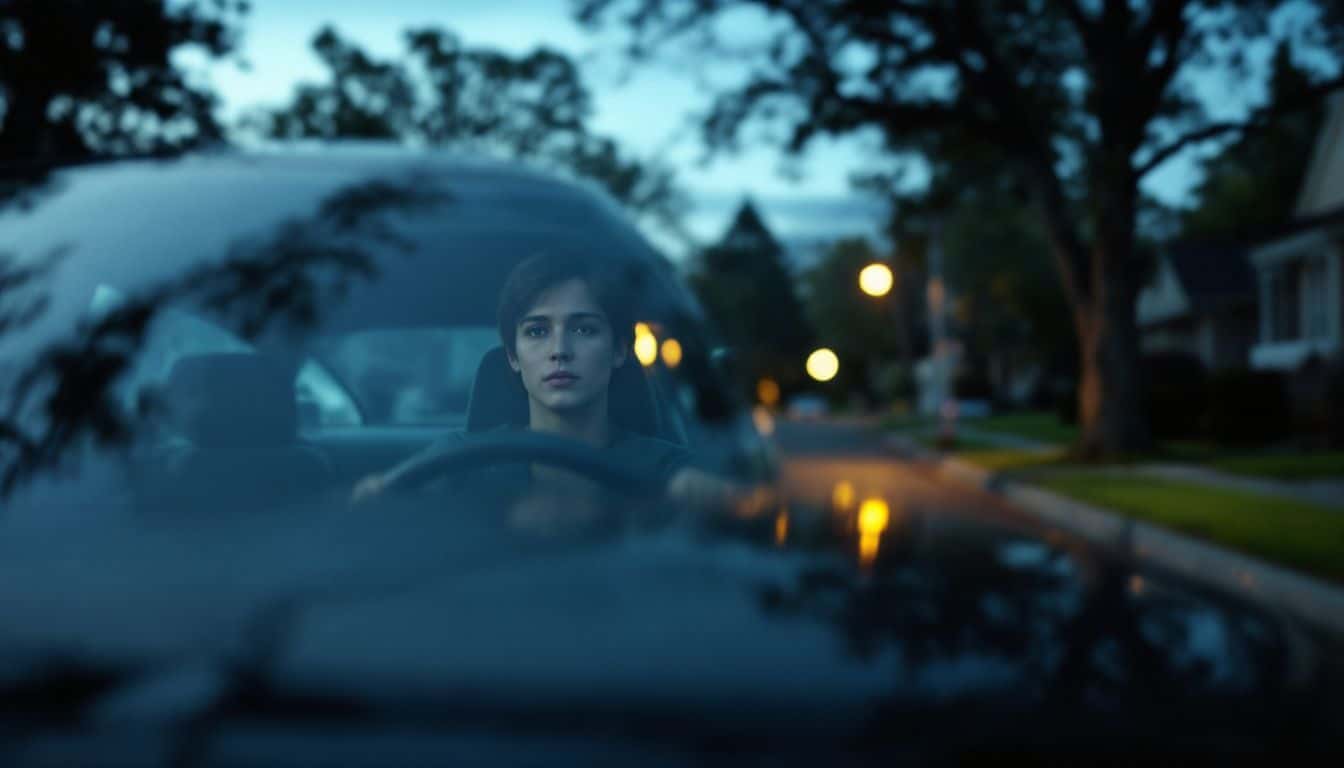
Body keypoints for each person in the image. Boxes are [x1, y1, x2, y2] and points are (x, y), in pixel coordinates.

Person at [350, 253, 749, 518]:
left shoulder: (668, 470)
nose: (560, 350)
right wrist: (373, 498)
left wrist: (714, 499)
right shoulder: (458, 462)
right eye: (538, 331)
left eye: (584, 329)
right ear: (512, 356)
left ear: (619, 351)